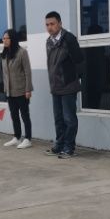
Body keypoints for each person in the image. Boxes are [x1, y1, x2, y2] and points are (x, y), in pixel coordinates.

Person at [45, 11, 84, 158]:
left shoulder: (69, 39)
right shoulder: (49, 41)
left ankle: (69, 148)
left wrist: (73, 78)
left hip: (68, 86)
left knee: (69, 119)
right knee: (58, 119)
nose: (49, 27)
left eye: (52, 24)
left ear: (60, 24)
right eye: (47, 24)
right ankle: (59, 145)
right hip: (55, 87)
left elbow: (79, 60)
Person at [1, 29, 33, 149]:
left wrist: (28, 89)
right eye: (3, 38)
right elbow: (5, 74)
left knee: (25, 115)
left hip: (21, 90)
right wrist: (5, 89)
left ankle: (28, 139)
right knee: (14, 115)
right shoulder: (4, 54)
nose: (4, 40)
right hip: (10, 91)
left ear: (13, 39)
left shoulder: (22, 52)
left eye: (7, 38)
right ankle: (17, 137)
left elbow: (27, 72)